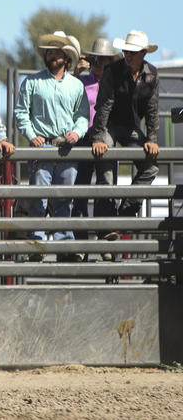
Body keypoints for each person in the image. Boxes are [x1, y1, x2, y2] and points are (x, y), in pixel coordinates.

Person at [14, 32, 89, 261]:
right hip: (42, 146)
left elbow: (83, 115)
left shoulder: (76, 86)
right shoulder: (31, 82)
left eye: (58, 52)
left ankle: (64, 246)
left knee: (64, 198)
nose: (53, 55)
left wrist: (77, 132)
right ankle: (37, 245)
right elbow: (20, 113)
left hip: (67, 147)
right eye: (50, 52)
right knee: (39, 197)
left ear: (66, 58)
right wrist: (31, 134)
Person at [90, 30, 160, 239]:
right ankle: (107, 226)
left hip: (130, 127)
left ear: (144, 53)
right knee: (105, 168)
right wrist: (98, 137)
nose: (128, 54)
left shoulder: (152, 75)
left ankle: (125, 213)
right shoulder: (113, 71)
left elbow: (152, 110)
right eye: (126, 50)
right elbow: (103, 106)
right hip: (110, 124)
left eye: (133, 51)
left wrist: (152, 140)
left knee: (151, 168)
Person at [68, 39, 119, 261]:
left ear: (110, 62)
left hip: (106, 140)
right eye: (94, 59)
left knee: (105, 188)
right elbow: (63, 98)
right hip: (84, 138)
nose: (97, 63)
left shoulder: (116, 82)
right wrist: (74, 73)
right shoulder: (80, 81)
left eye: (102, 60)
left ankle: (105, 239)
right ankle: (80, 244)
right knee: (81, 190)